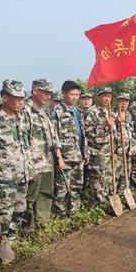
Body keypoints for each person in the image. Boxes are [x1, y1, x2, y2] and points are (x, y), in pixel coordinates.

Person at [0, 79, 29, 240]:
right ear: (5, 98)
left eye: (23, 98)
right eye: (17, 98)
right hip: (3, 179)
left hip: (21, 175)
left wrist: (29, 168)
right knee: (3, 214)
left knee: (19, 210)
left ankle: (12, 240)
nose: (21, 102)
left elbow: (25, 145)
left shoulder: (21, 118)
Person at [22, 79, 63, 231]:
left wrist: (59, 156)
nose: (49, 96)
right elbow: (22, 141)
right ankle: (28, 229)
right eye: (45, 92)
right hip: (33, 163)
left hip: (47, 161)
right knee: (30, 197)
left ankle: (42, 224)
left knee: (45, 193)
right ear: (35, 91)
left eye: (50, 93)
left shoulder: (43, 111)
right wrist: (28, 166)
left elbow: (53, 136)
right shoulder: (25, 111)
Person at [52, 80, 88, 216]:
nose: (75, 97)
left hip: (78, 155)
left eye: (77, 95)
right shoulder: (57, 112)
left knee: (77, 185)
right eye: (72, 94)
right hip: (65, 157)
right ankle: (61, 214)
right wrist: (59, 157)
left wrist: (85, 153)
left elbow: (82, 133)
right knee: (62, 187)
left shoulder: (77, 111)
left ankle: (74, 211)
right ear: (63, 93)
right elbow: (54, 137)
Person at [83, 87, 115, 204]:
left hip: (108, 151)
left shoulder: (110, 113)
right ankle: (97, 203)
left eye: (109, 96)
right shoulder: (92, 113)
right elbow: (87, 132)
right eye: (104, 96)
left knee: (107, 176)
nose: (107, 99)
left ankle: (106, 199)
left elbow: (113, 134)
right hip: (97, 152)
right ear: (98, 97)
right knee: (97, 178)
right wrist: (103, 126)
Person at [113, 92, 136, 190]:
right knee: (116, 173)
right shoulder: (113, 114)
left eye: (126, 101)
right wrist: (116, 122)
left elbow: (132, 131)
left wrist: (134, 146)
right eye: (122, 101)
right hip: (117, 150)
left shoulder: (129, 115)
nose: (124, 103)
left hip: (128, 150)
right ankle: (113, 192)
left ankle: (123, 192)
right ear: (117, 102)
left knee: (126, 172)